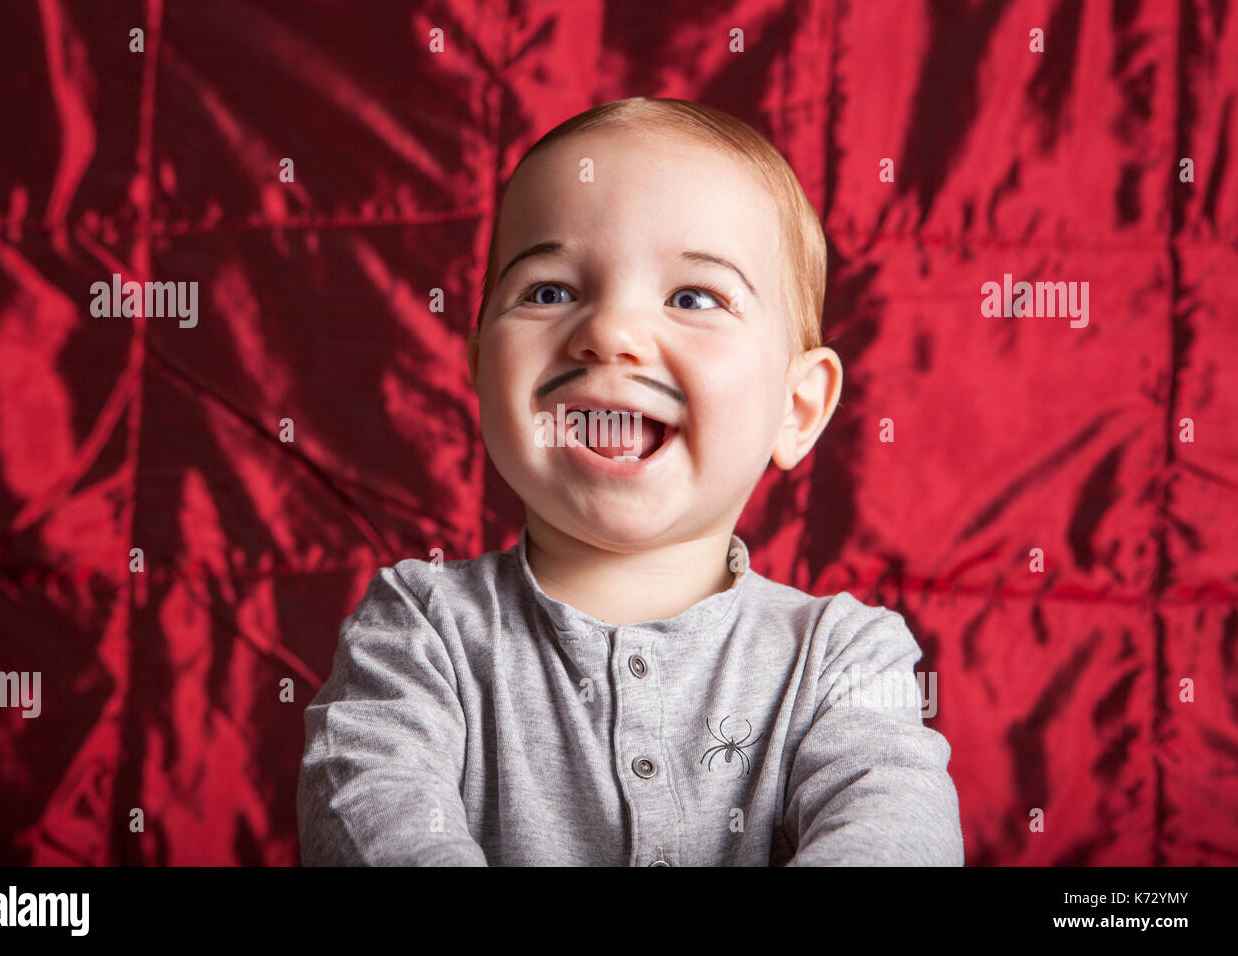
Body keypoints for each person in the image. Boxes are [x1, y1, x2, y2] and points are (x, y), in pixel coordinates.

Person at [298, 96, 964, 866]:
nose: (609, 333)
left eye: (693, 298)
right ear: (481, 372)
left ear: (797, 406)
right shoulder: (417, 632)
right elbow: (369, 820)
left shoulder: (845, 658)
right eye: (550, 291)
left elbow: (896, 839)